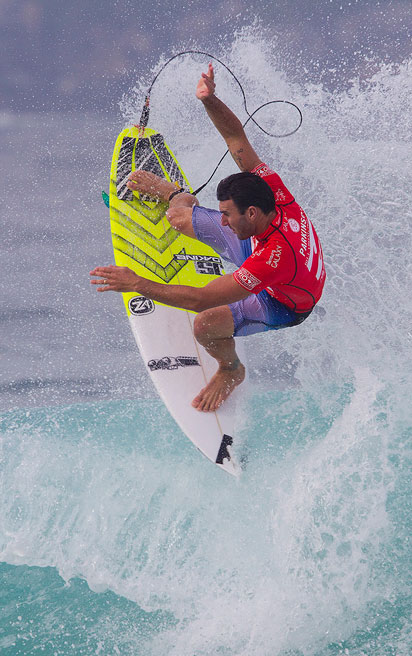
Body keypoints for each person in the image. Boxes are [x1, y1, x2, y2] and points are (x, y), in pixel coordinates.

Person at [91, 63, 326, 413]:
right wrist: (208, 99)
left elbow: (201, 300)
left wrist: (136, 282)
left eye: (227, 214)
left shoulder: (270, 260)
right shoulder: (273, 192)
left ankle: (231, 369)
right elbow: (236, 139)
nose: (223, 221)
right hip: (263, 246)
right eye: (222, 212)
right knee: (179, 216)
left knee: (206, 326)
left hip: (285, 301)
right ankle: (175, 194)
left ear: (250, 213)